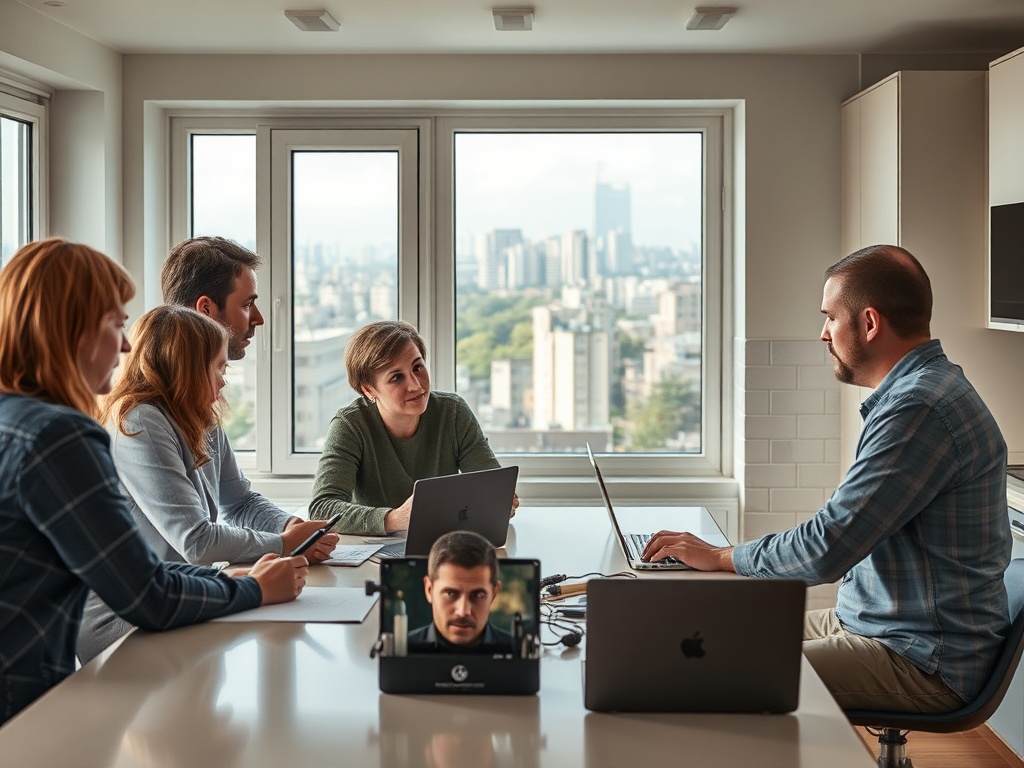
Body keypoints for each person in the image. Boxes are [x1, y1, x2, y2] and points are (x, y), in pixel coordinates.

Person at [643, 244, 1011, 714]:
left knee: (714, 672)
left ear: (870, 323)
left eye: (831, 318)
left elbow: (826, 549)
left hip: (921, 656)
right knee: (709, 638)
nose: (823, 333)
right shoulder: (920, 391)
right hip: (871, 623)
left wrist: (721, 556)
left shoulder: (919, 408)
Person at [0, 238, 309, 726]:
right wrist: (253, 589)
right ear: (73, 330)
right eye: (115, 324)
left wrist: (241, 574)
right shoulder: (59, 435)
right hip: (23, 712)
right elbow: (145, 591)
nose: (125, 345)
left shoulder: (17, 422)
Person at [76, 305, 340, 661]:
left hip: (177, 593)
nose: (223, 380)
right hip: (125, 617)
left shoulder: (200, 415)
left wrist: (291, 527)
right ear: (185, 368)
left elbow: (240, 501)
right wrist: (282, 543)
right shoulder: (140, 423)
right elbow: (196, 542)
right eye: (217, 368)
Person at [310, 320, 518, 535]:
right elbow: (322, 508)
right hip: (374, 551)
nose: (416, 385)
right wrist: (395, 519)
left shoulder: (453, 412)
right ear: (369, 390)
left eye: (417, 367)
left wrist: (502, 502)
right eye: (396, 377)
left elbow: (493, 488)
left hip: (442, 544)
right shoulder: (350, 425)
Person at [406, 531, 515, 653]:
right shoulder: (400, 651)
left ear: (493, 594)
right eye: (450, 594)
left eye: (478, 595)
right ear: (429, 590)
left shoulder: (518, 652)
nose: (463, 611)